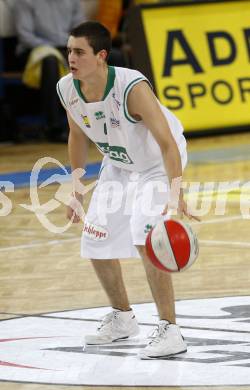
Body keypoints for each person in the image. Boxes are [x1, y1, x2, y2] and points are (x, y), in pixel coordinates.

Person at [56, 21, 198, 359]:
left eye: (79, 52)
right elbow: (77, 136)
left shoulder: (131, 87)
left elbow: (166, 143)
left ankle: (170, 329)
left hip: (157, 163)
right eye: (69, 51)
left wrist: (175, 190)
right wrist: (76, 191)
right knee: (95, 236)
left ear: (101, 56)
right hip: (119, 162)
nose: (71, 58)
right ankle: (123, 317)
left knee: (146, 234)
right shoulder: (67, 88)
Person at [14, 0, 84, 141]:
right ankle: (54, 127)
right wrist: (56, 48)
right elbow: (25, 36)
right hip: (35, 49)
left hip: (67, 47)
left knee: (108, 55)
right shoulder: (25, 1)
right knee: (51, 60)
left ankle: (110, 123)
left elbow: (81, 32)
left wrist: (72, 47)